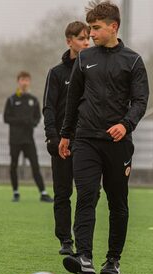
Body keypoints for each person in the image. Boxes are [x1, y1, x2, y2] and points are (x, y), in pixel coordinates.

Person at [58, 1, 149, 274]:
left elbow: (141, 101)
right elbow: (73, 99)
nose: (92, 34)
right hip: (85, 139)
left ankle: (113, 259)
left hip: (118, 144)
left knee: (117, 201)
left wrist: (126, 124)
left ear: (114, 27)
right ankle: (84, 257)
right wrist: (65, 134)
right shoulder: (85, 59)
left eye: (96, 28)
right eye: (90, 29)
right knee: (86, 194)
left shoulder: (133, 60)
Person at [43, 21, 90, 256]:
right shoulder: (57, 73)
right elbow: (49, 107)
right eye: (81, 38)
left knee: (89, 192)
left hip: (87, 142)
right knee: (63, 193)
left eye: (88, 38)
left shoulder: (93, 69)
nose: (86, 42)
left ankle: (83, 240)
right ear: (69, 41)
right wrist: (53, 137)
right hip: (62, 143)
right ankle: (65, 239)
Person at [3, 71, 53, 203]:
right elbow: (6, 118)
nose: (24, 82)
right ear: (18, 81)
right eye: (22, 80)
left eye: (27, 80)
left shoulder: (33, 100)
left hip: (28, 139)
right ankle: (16, 192)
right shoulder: (12, 99)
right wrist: (21, 121)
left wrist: (32, 122)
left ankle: (43, 193)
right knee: (13, 165)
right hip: (15, 139)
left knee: (35, 166)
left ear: (29, 82)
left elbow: (37, 117)